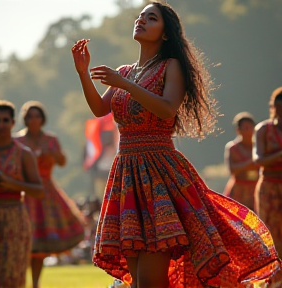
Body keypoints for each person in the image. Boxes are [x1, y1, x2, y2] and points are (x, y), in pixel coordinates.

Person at [71, 2, 280, 288]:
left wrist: (124, 84)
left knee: (150, 280)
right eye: (140, 16)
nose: (141, 20)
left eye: (151, 18)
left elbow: (167, 109)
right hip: (127, 173)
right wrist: (83, 72)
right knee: (136, 280)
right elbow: (99, 109)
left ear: (166, 34)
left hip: (160, 171)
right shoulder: (126, 71)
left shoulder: (171, 66)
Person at [15, 101, 85, 288]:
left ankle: (36, 283)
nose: (34, 119)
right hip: (24, 191)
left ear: (42, 118)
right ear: (25, 119)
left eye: (37, 115)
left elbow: (62, 161)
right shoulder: (18, 141)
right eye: (30, 116)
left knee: (40, 244)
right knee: (21, 241)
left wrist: (52, 153)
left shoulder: (51, 140)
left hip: (46, 192)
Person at [0, 100, 44, 288]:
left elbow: (38, 191)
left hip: (15, 216)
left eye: (5, 120)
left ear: (13, 123)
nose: (0, 125)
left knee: (12, 274)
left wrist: (9, 182)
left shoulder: (23, 154)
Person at [253, 87, 282, 287]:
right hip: (270, 187)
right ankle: (272, 279)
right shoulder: (264, 129)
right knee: (271, 233)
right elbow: (258, 159)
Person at [223, 112, 259, 210]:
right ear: (238, 130)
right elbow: (232, 170)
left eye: (250, 128)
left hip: (256, 188)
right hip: (238, 190)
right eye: (245, 128)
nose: (248, 131)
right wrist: (249, 164)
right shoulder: (232, 148)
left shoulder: (259, 146)